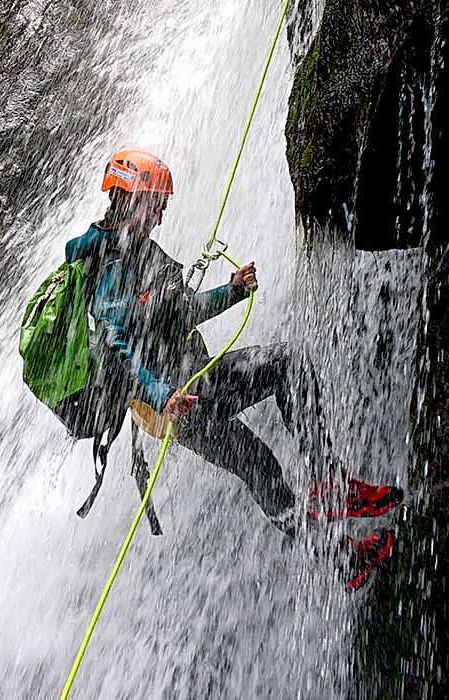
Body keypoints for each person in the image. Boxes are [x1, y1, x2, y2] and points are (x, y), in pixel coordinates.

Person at [62, 147, 402, 588]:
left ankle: (339, 532)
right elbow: (115, 341)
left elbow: (181, 311)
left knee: (270, 429)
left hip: (197, 385)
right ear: (131, 197)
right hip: (179, 404)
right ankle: (337, 519)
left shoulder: (142, 253)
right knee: (277, 401)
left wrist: (232, 290)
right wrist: (162, 396)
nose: (160, 217)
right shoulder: (108, 264)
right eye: (156, 206)